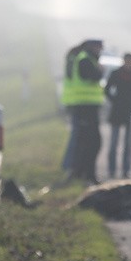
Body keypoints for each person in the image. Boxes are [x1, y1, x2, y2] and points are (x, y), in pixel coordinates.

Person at [69, 39, 105, 184]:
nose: (100, 51)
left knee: (88, 142)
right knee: (91, 142)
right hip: (85, 107)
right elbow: (92, 76)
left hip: (89, 107)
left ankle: (83, 173)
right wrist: (101, 70)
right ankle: (85, 174)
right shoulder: (85, 59)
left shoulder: (88, 58)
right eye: (99, 48)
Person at [105, 53, 131, 178]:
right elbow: (107, 89)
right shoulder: (116, 73)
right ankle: (111, 169)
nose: (128, 64)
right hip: (117, 110)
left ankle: (126, 170)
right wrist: (114, 100)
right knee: (113, 143)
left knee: (128, 144)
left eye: (130, 61)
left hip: (130, 111)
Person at [60, 41, 86, 175]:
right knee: (76, 136)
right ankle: (68, 164)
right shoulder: (77, 60)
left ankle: (69, 164)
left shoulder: (72, 58)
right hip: (76, 102)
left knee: (75, 135)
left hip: (72, 101)